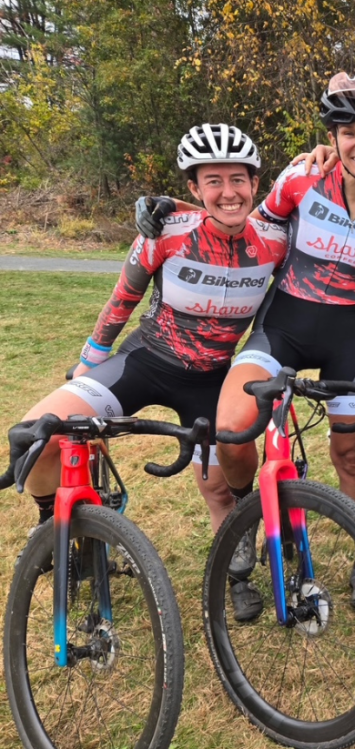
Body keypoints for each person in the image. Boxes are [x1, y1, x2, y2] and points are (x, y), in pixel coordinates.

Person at [135, 72, 355, 614]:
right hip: (281, 330)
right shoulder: (300, 178)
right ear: (333, 139)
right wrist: (172, 206)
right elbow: (239, 223)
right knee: (231, 432)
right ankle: (247, 516)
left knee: (349, 456)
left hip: (345, 339)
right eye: (348, 133)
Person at [21, 124, 288, 621]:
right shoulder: (166, 232)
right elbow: (123, 299)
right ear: (195, 188)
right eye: (213, 181)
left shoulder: (276, 240)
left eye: (238, 179)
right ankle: (49, 527)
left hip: (212, 376)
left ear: (256, 183)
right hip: (145, 359)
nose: (228, 192)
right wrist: (87, 364)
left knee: (223, 484)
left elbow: (321, 255)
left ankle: (238, 566)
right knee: (36, 435)